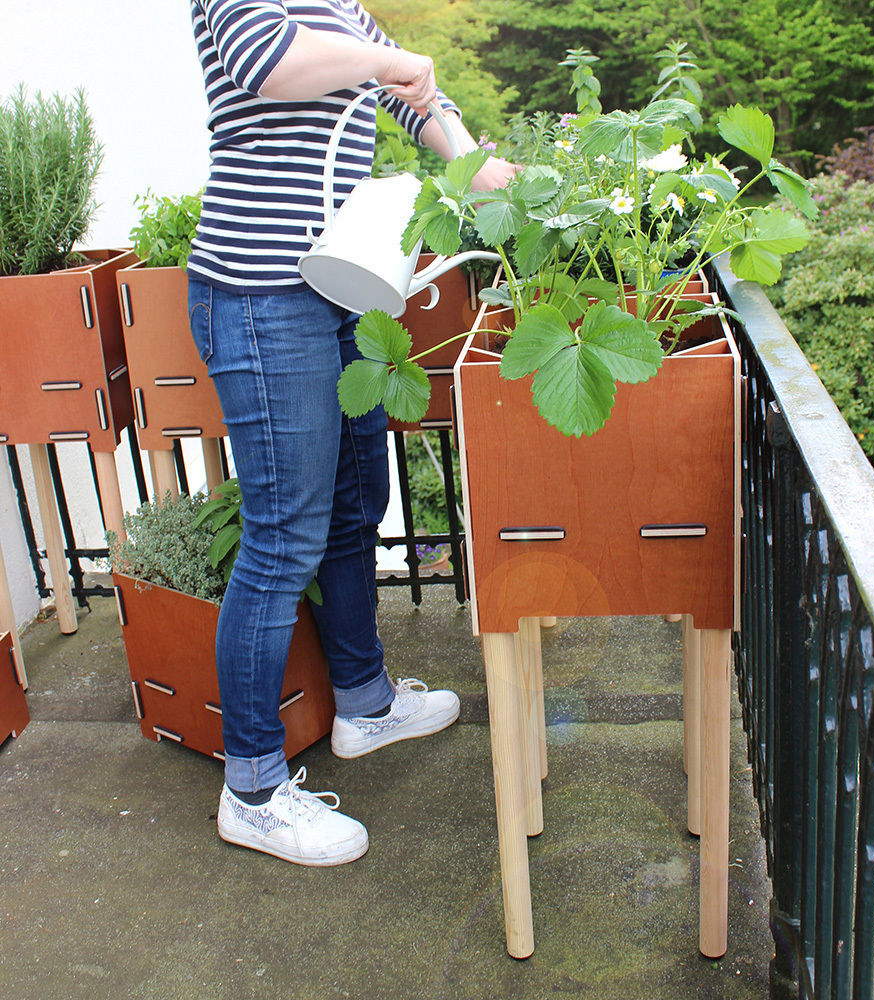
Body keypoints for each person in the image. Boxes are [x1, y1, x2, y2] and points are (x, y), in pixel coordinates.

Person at [185, 0, 518, 867]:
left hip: (340, 282)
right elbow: (270, 61)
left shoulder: (343, 7)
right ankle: (252, 789)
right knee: (283, 538)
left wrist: (484, 168)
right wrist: (391, 60)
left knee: (353, 503)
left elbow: (411, 97)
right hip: (261, 295)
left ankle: (364, 705)